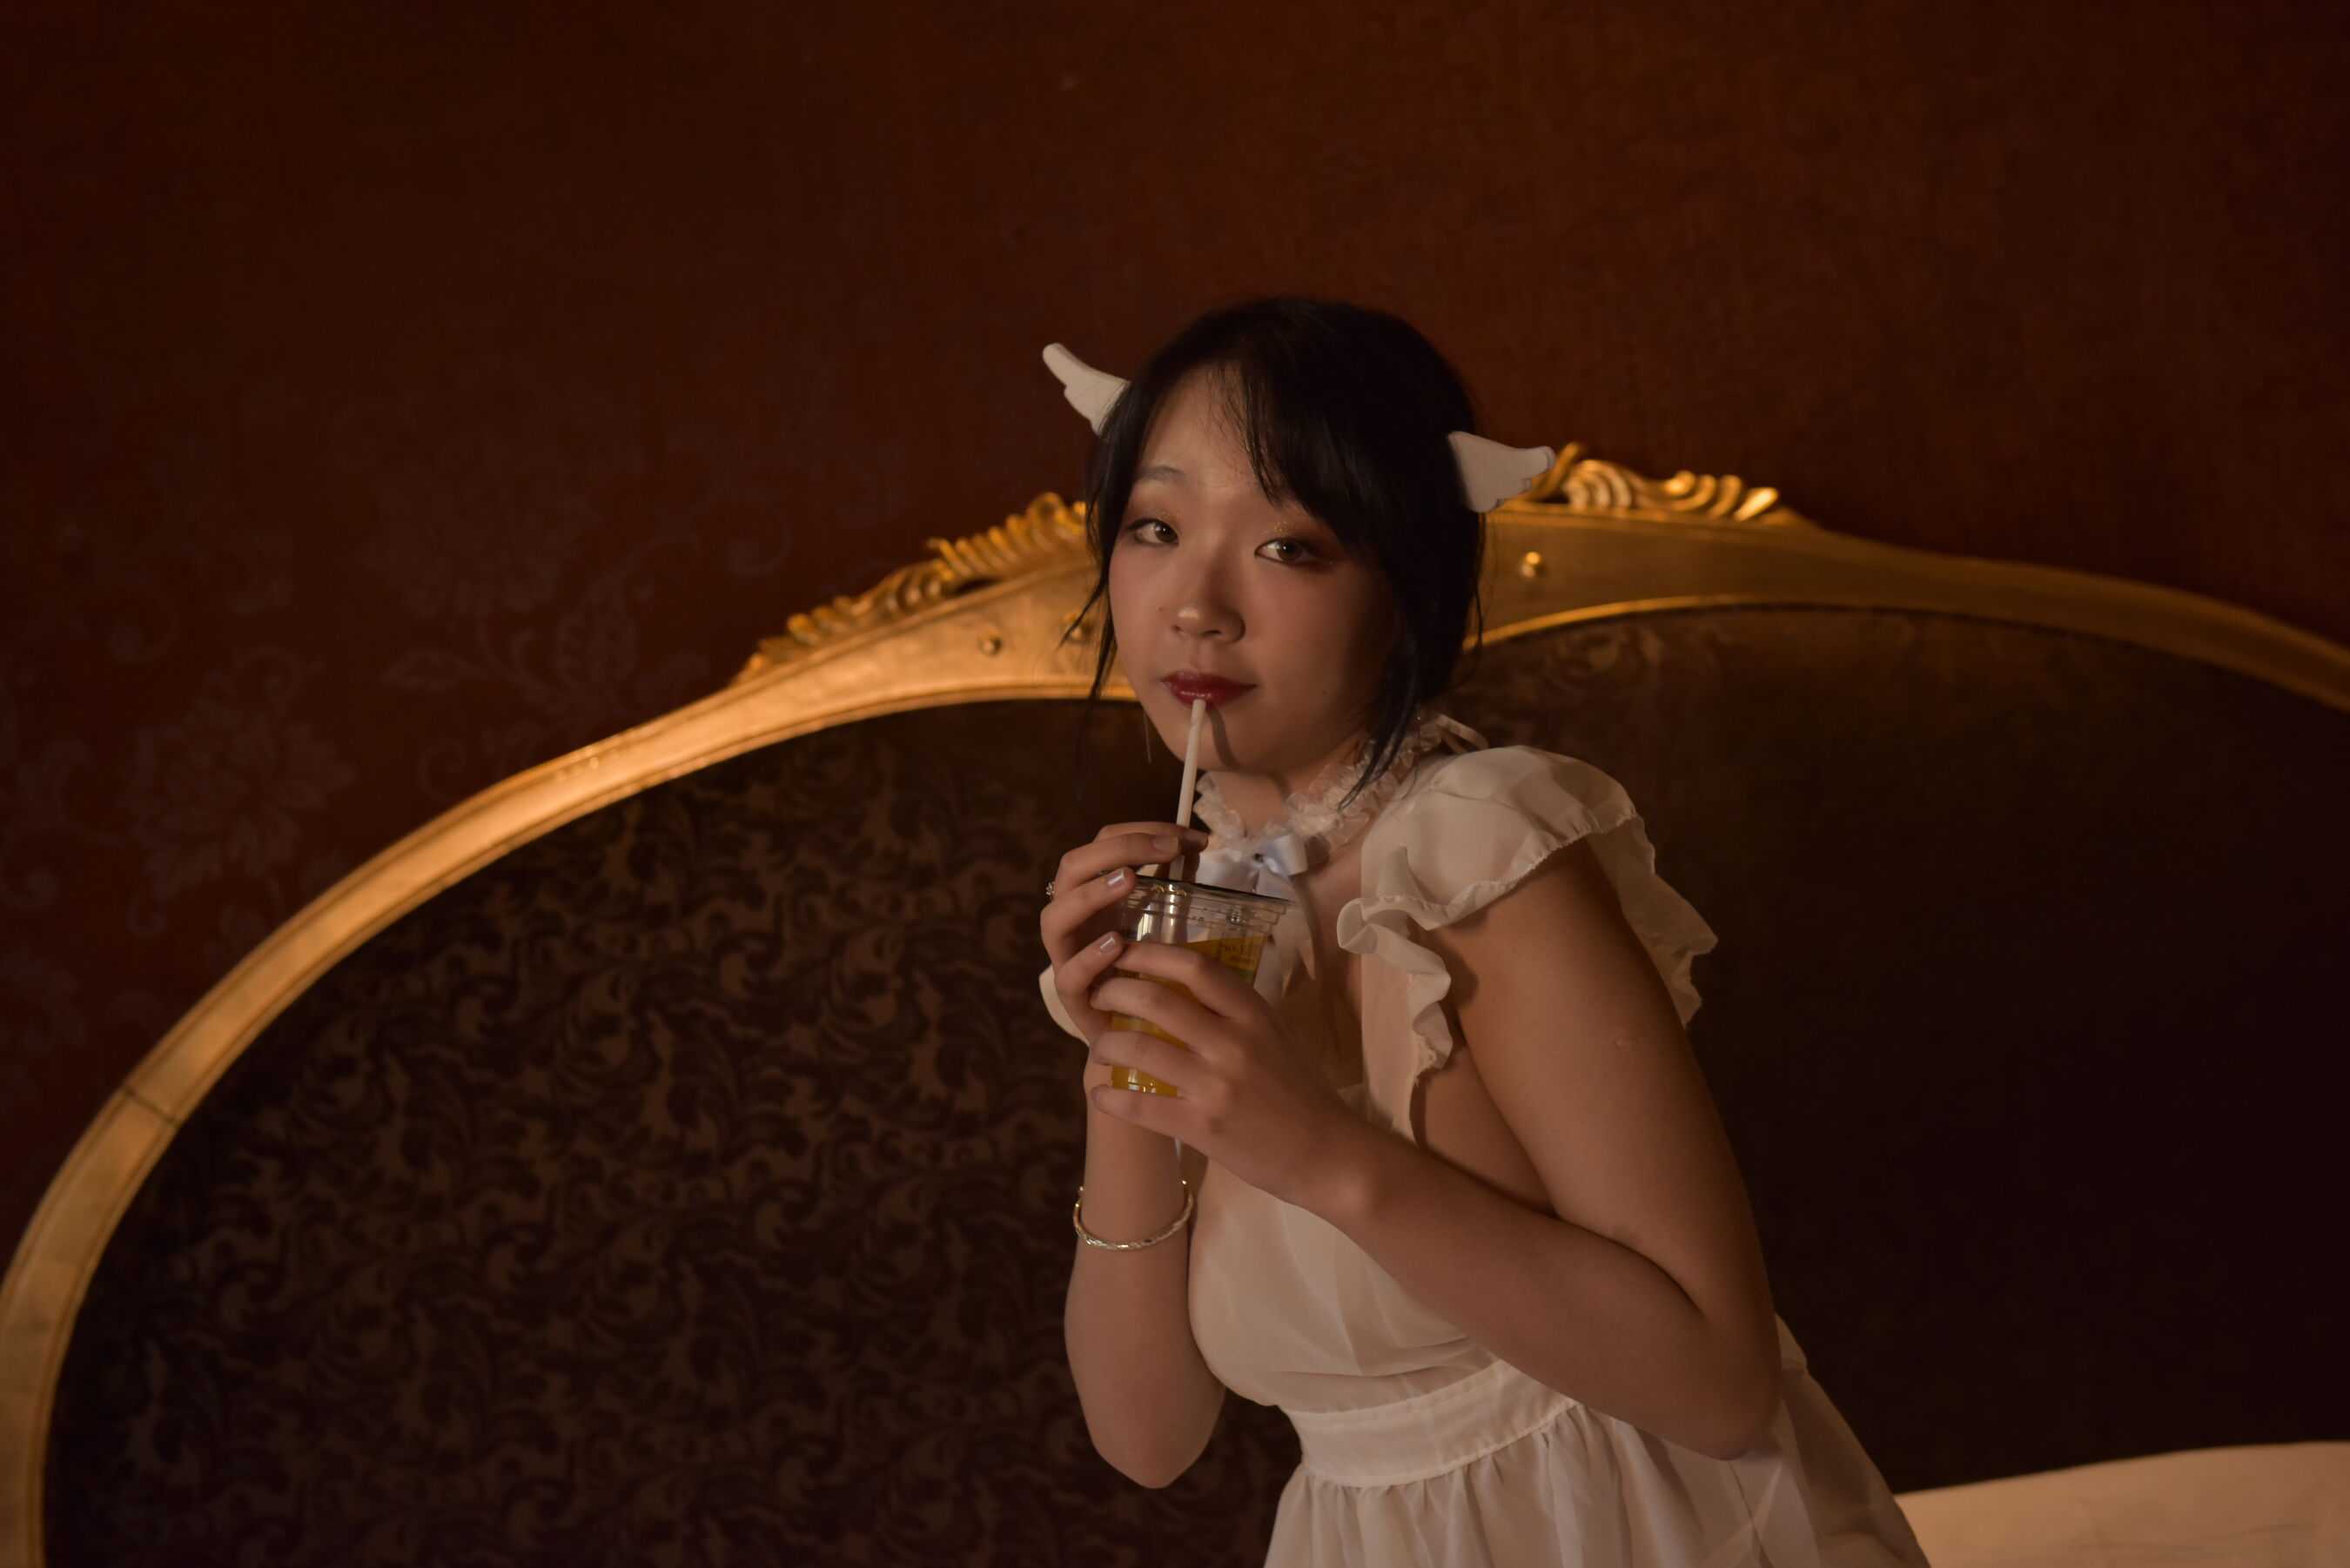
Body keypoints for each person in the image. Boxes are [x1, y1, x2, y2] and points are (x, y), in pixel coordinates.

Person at [1034, 297, 1930, 1567]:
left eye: (1289, 545)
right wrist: (1126, 1074)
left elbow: (1722, 1385)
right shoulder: (1206, 899)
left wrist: (1312, 1146)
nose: (1198, 607)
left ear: (1404, 590)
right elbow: (1147, 1435)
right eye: (1156, 528)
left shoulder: (1473, 855)